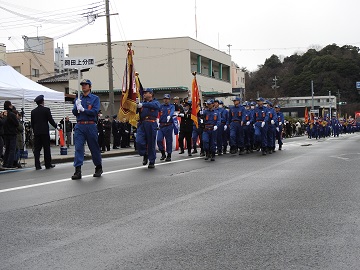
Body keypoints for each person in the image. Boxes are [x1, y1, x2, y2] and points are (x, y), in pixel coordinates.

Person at [71, 79, 103, 180]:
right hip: (80, 125)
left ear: (90, 87)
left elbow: (94, 111)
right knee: (78, 148)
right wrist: (77, 106)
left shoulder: (95, 98)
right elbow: (74, 112)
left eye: (86, 85)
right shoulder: (78, 98)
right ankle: (78, 170)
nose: (84, 86)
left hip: (90, 125)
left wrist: (84, 110)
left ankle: (98, 167)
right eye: (82, 85)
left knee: (94, 147)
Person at [135, 88, 161, 169]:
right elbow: (136, 112)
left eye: (146, 93)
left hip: (151, 123)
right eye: (144, 93)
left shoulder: (155, 102)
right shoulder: (142, 103)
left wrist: (143, 105)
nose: (144, 94)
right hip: (142, 123)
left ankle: (151, 161)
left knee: (151, 143)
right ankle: (144, 153)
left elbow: (156, 106)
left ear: (151, 94)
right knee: (139, 141)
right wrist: (137, 105)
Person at [31, 95, 57, 170]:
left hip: (37, 132)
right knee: (46, 148)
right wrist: (56, 126)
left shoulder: (33, 112)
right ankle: (47, 164)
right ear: (43, 101)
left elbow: (32, 123)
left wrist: (34, 130)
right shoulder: (46, 110)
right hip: (44, 132)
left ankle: (37, 165)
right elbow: (50, 120)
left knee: (37, 149)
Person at [157, 94, 175, 161]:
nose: (165, 100)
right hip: (161, 126)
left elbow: (172, 112)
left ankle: (169, 155)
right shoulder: (161, 106)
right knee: (159, 140)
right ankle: (162, 153)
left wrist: (170, 116)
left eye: (167, 99)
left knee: (169, 141)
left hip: (168, 125)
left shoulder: (171, 106)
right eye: (164, 99)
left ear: (169, 99)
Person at [2, 101, 19, 169]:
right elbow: (17, 123)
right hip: (12, 133)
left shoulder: (4, 114)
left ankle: (5, 163)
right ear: (9, 106)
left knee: (7, 149)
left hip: (6, 133)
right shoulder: (11, 114)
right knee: (12, 149)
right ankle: (10, 164)